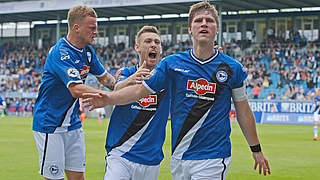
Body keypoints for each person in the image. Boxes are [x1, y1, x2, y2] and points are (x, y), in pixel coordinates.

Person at [83, 1, 271, 179]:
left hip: (213, 157)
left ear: (217, 29)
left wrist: (256, 149)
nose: (203, 24)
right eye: (198, 21)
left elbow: (244, 112)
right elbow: (139, 92)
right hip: (180, 157)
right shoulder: (172, 65)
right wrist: (108, 98)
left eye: (209, 21)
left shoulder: (232, 68)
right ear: (190, 29)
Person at [32, 5, 116, 180]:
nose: (96, 32)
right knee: (55, 178)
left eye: (96, 28)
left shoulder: (88, 52)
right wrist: (108, 97)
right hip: (50, 124)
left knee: (78, 177)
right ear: (76, 27)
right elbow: (76, 89)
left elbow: (108, 80)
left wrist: (134, 84)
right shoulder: (60, 52)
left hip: (72, 124)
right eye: (91, 28)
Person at [103, 26, 170, 180]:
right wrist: (131, 80)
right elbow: (116, 91)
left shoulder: (167, 79)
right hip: (120, 154)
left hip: (151, 160)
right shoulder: (126, 73)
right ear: (137, 47)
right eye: (148, 41)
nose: (153, 44)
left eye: (157, 42)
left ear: (160, 49)